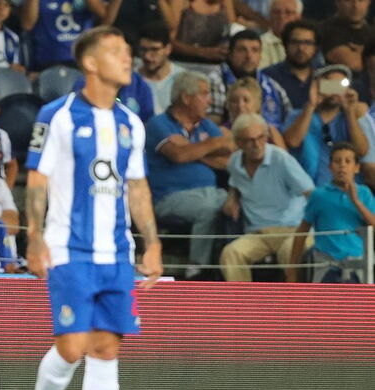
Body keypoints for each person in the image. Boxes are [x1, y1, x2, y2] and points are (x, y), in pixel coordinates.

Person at [20, 25, 162, 390]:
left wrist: (152, 242)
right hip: (69, 247)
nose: (128, 57)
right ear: (91, 63)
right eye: (117, 51)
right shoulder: (56, 115)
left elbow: (136, 187)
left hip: (116, 253)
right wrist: (34, 236)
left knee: (105, 346)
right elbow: (37, 179)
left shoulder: (130, 123)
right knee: (72, 345)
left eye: (128, 50)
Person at [146, 70, 233, 278]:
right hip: (170, 197)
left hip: (212, 191)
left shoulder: (206, 125)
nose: (209, 101)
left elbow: (227, 158)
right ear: (186, 97)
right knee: (209, 209)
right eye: (203, 94)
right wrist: (212, 144)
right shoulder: (158, 123)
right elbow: (177, 155)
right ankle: (197, 270)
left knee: (239, 203)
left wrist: (193, 150)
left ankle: (233, 265)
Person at [220, 112, 314, 282]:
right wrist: (231, 199)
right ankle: (242, 307)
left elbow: (311, 193)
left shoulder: (281, 159)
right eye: (250, 140)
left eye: (261, 137)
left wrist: (316, 227)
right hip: (258, 232)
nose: (257, 144)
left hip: (293, 230)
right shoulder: (234, 162)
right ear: (238, 143)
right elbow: (235, 184)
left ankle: (294, 306)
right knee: (231, 254)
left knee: (290, 252)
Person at [287, 142, 375, 283]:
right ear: (329, 167)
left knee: (361, 304)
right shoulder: (319, 195)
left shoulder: (364, 193)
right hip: (326, 264)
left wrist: (356, 201)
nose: (342, 165)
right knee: (325, 304)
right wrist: (292, 269)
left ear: (356, 168)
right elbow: (302, 231)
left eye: (348, 161)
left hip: (359, 263)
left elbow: (373, 224)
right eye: (337, 161)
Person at [283, 64, 375, 187]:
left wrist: (350, 112)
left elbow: (362, 151)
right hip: (308, 192)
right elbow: (292, 142)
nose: (334, 91)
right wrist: (311, 105)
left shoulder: (351, 117)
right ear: (318, 86)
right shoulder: (297, 115)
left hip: (346, 192)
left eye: (339, 86)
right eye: (330, 85)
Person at [207, 29, 292, 129]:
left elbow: (289, 122)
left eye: (255, 50)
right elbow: (212, 126)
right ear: (230, 54)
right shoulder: (215, 80)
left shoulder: (272, 85)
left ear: (260, 55)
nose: (249, 56)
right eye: (242, 50)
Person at [317, 0, 374, 75]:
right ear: (337, 1)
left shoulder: (371, 31)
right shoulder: (326, 30)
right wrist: (367, 53)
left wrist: (361, 52)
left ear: (368, 1)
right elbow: (354, 64)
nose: (355, 5)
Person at [264, 19, 320, 110]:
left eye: (307, 43)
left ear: (315, 48)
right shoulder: (268, 77)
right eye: (295, 42)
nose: (301, 48)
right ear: (285, 45)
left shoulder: (325, 76)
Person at [223, 77, 287, 149]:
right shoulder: (222, 132)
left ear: (257, 104)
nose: (240, 105)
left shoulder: (270, 131)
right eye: (234, 101)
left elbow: (284, 158)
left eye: (246, 100)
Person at [136, 21, 184, 116]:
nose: (147, 56)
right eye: (143, 50)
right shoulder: (130, 79)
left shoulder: (182, 79)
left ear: (168, 49)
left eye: (154, 50)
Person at [259, 0, 302, 70]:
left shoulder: (307, 43)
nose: (282, 17)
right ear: (269, 16)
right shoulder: (260, 43)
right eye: (276, 12)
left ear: (298, 18)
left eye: (288, 13)